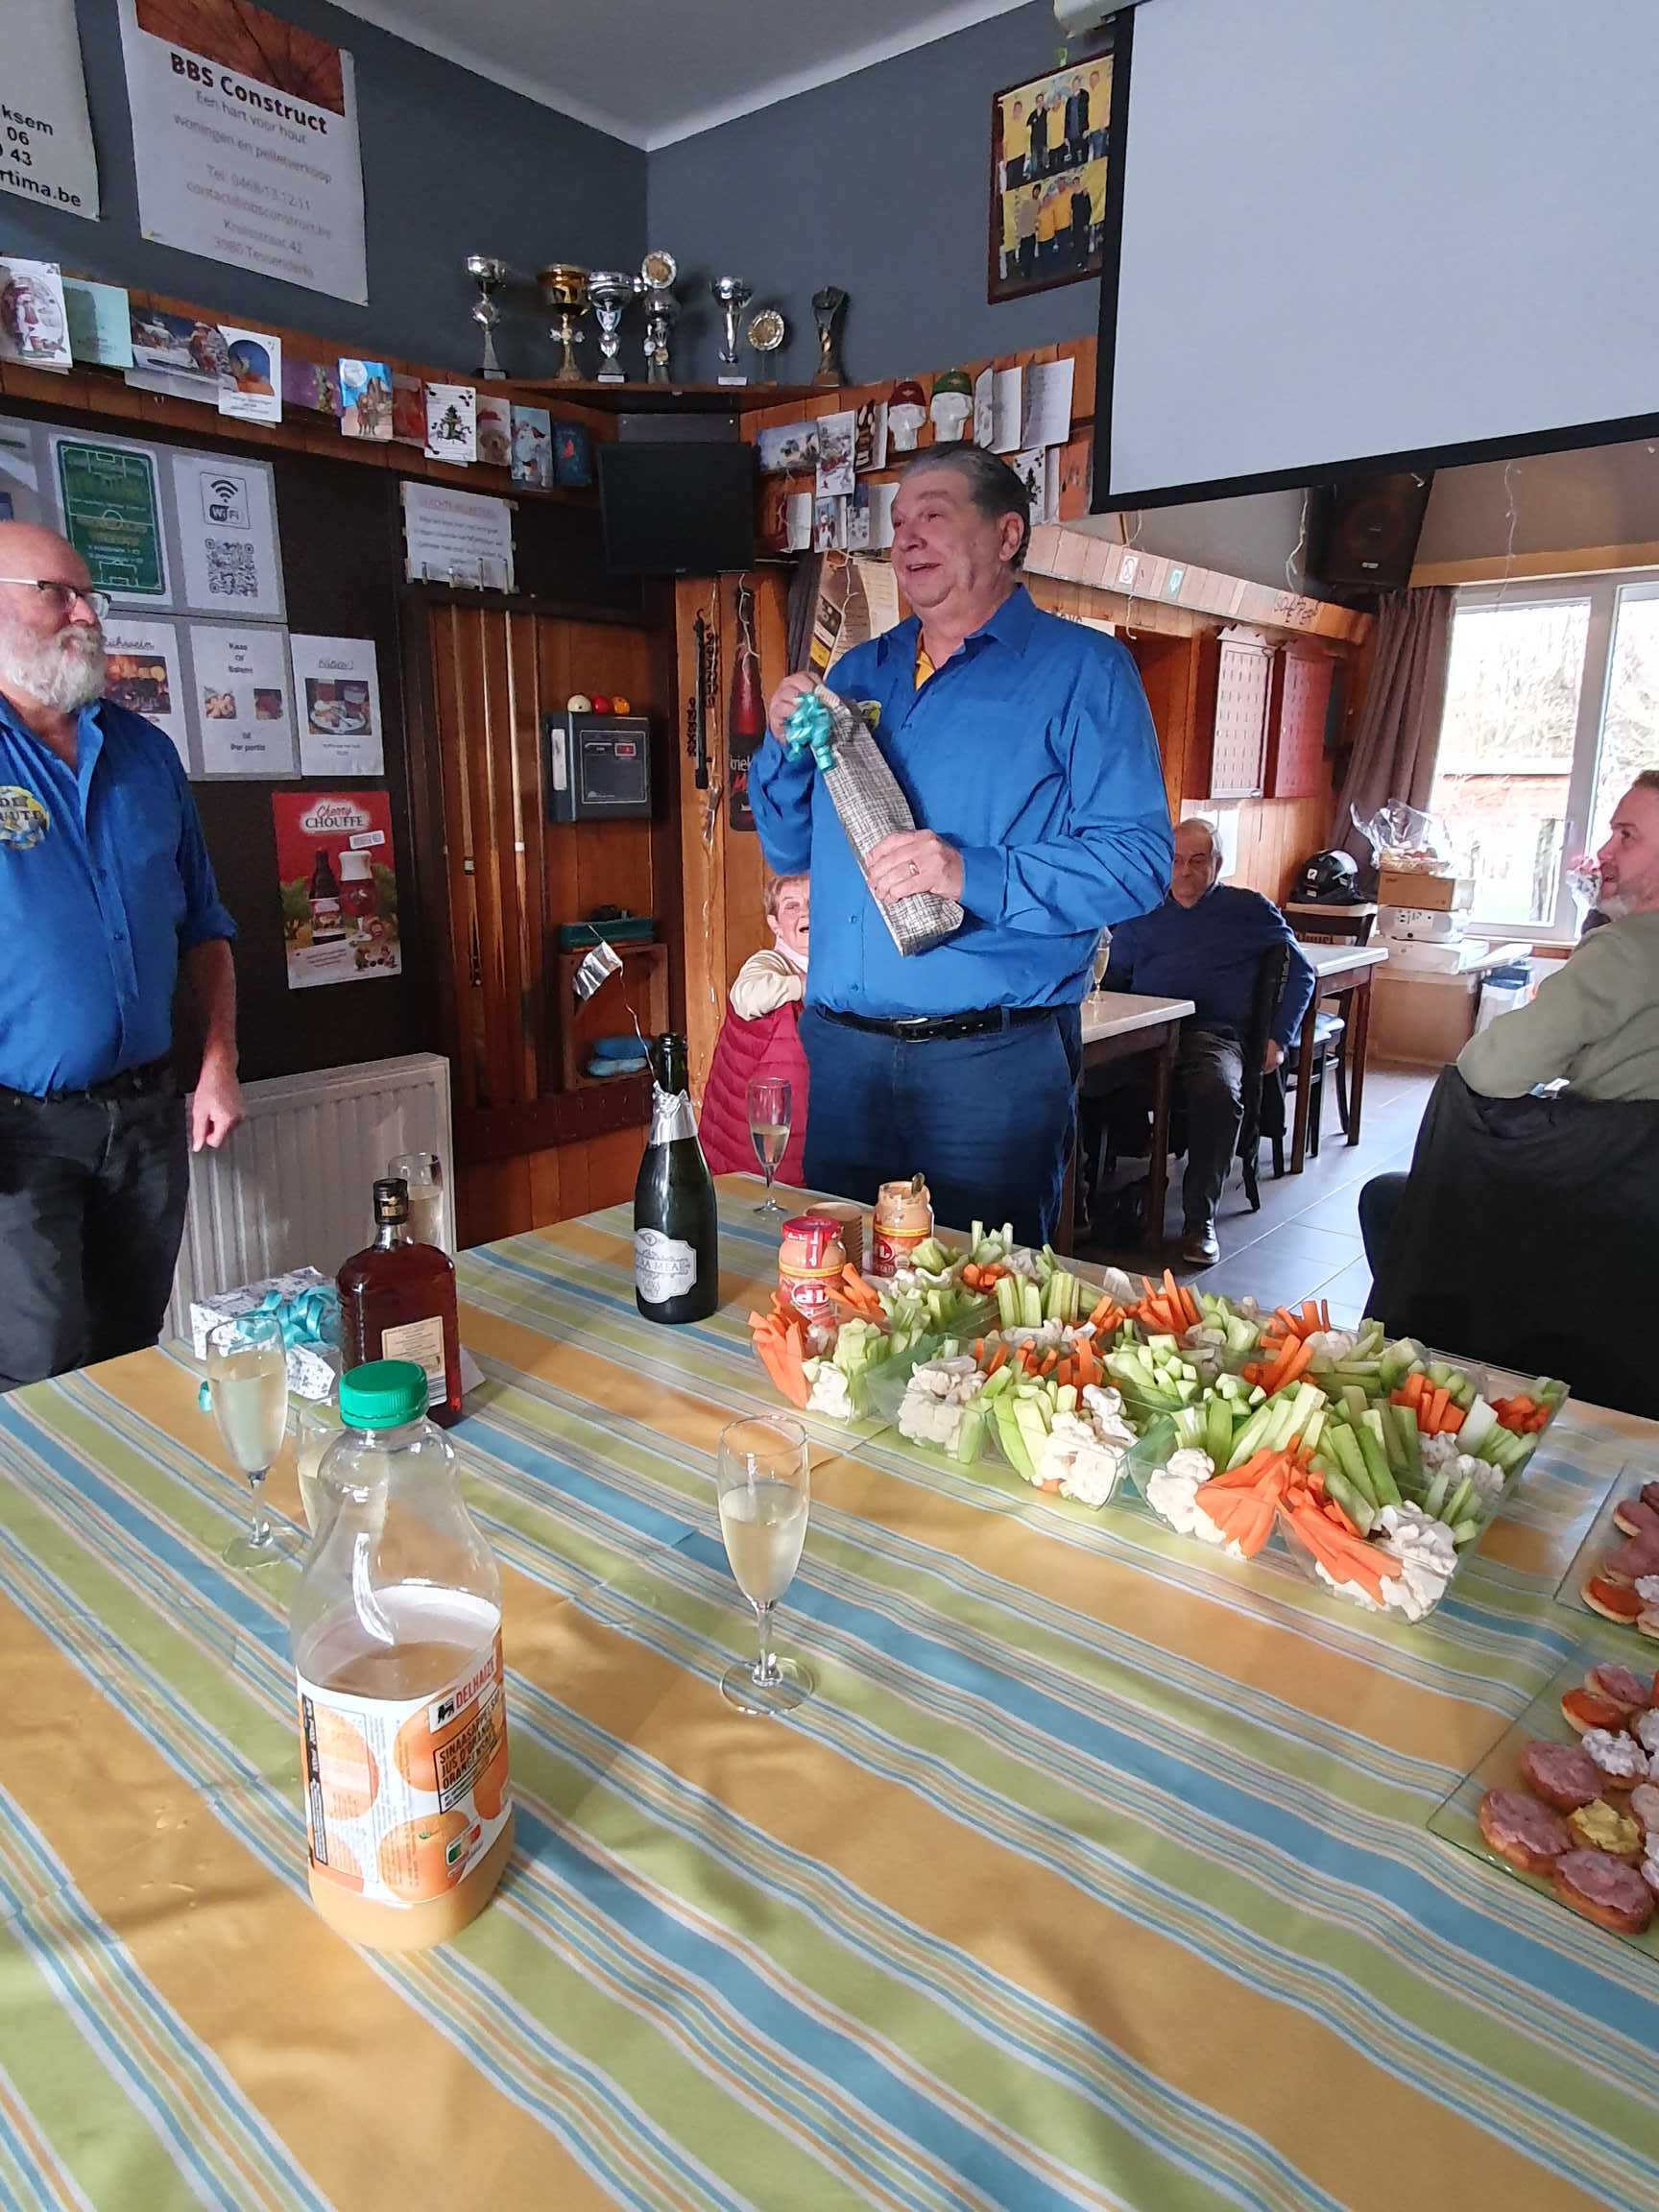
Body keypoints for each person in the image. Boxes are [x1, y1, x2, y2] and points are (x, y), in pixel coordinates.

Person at [751, 445, 1171, 1246]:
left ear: (1007, 534)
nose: (908, 537)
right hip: (842, 1058)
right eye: (899, 522)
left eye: (934, 516)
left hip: (990, 1066)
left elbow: (1138, 863)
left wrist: (968, 872)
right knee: (841, 1291)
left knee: (981, 1298)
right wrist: (780, 746)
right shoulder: (857, 673)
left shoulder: (1084, 670)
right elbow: (789, 846)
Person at [0, 523, 243, 1391]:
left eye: (89, 595)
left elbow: (205, 927)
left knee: (133, 1348)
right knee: (40, 1370)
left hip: (146, 1115)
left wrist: (218, 1064)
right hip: (20, 1133)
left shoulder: (146, 754)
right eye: (56, 593)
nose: (85, 615)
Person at [1359, 773, 1659, 1282]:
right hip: (1638, 1205)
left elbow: (1489, 1068)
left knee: (1389, 1200)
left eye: (1626, 836)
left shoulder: (1627, 950)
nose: (1605, 852)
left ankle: (1439, 1333)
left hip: (1611, 1208)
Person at [1099, 818, 1315, 1264]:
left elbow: (1302, 974)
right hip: (1143, 1034)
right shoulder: (1141, 911)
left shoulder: (1248, 910)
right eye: (1176, 861)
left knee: (1217, 1091)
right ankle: (1082, 1204)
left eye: (1198, 861)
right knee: (1072, 1074)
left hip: (1212, 1034)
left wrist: (1279, 1038)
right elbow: (1111, 980)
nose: (1185, 871)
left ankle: (1200, 1221)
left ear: (1217, 863)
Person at [697, 872, 810, 1184]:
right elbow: (746, 997)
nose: (805, 912)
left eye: (813, 903)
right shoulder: (768, 962)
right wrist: (806, 985)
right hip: (763, 1131)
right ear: (775, 924)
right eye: (791, 906)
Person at [1014, 185, 1041, 284]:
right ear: (1033, 191)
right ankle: (1025, 272)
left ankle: (1028, 273)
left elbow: (1038, 215)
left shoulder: (1038, 202)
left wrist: (1036, 225)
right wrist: (1020, 233)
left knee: (1030, 255)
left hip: (1032, 233)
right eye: (1035, 191)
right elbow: (1021, 218)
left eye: (1038, 191)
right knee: (1024, 255)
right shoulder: (1027, 202)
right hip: (1024, 234)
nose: (1036, 192)